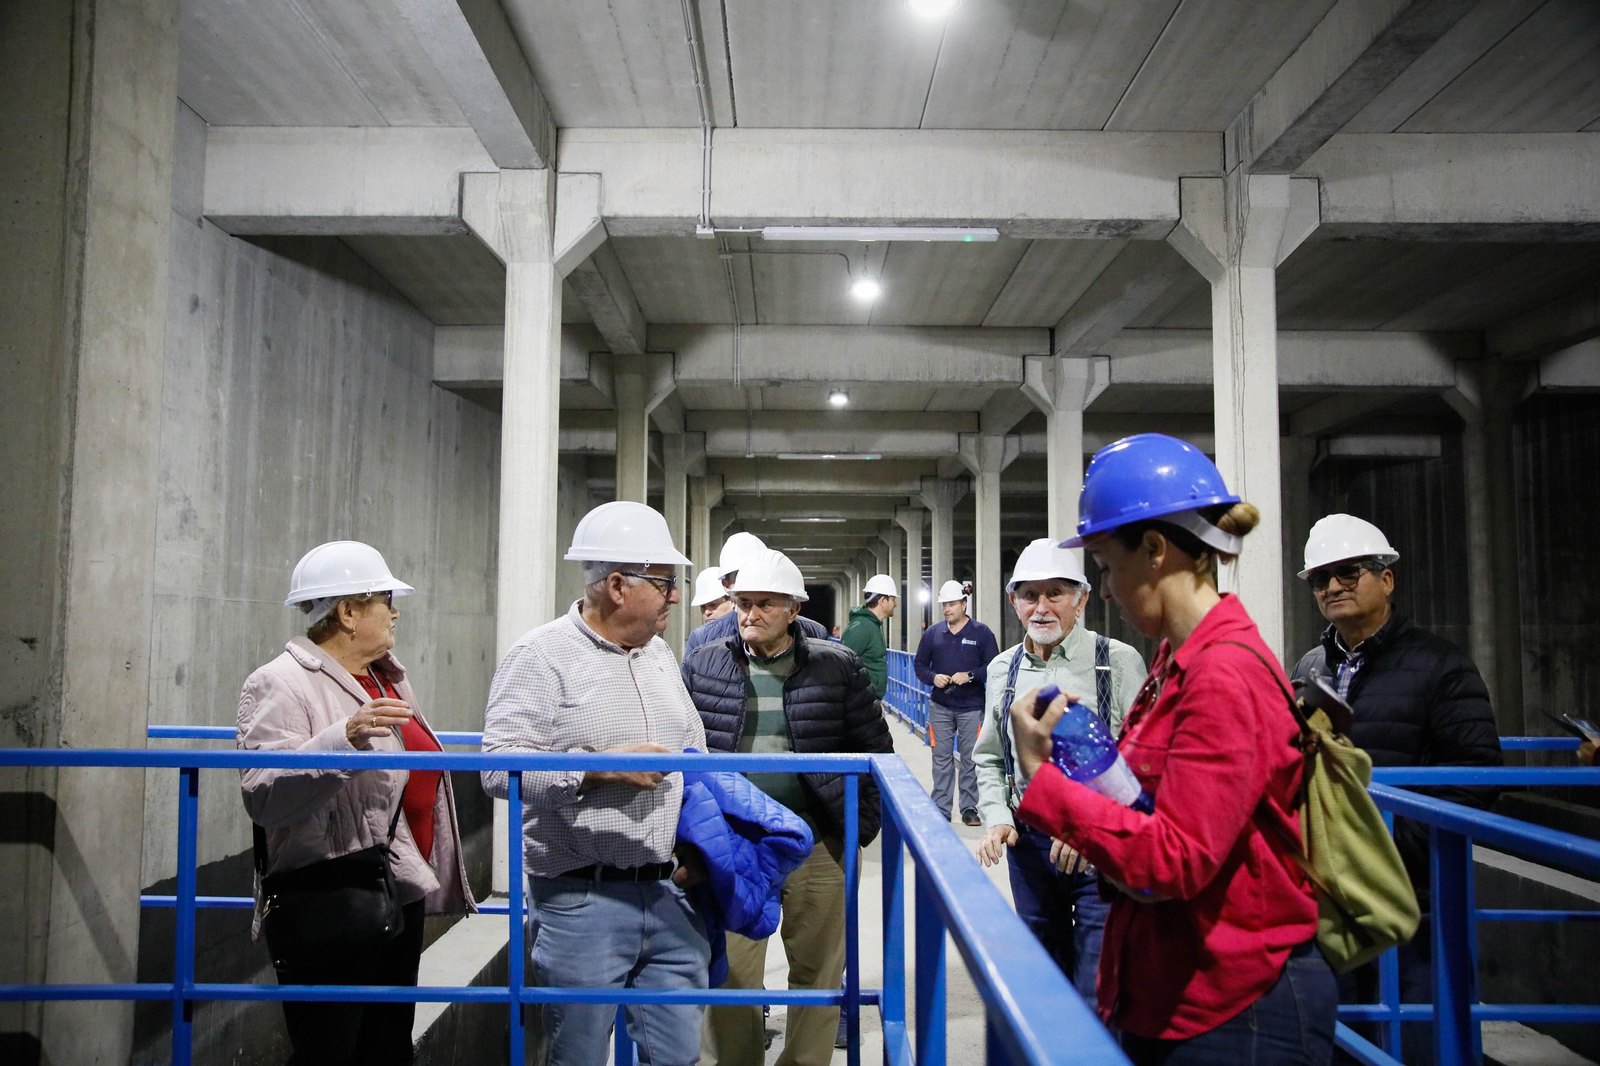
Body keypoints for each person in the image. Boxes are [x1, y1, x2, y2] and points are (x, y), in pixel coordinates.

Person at [1007, 434, 1335, 1066]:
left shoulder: (1223, 675)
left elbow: (1173, 861)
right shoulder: (1173, 663)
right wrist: (1086, 756)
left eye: (1105, 567)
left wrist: (1041, 777)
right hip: (1179, 984)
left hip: (1237, 1008)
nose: (1103, 589)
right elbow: (1150, 802)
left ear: (1155, 550)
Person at [481, 501, 710, 1066]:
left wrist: (696, 852)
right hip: (582, 900)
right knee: (578, 1056)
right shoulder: (541, 657)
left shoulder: (659, 657)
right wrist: (596, 767)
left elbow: (695, 752)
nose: (676, 596)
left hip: (668, 894)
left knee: (676, 1056)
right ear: (616, 585)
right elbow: (497, 766)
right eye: (665, 583)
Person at [238, 541, 475, 1066]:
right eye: (385, 600)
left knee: (387, 1048)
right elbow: (264, 794)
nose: (396, 612)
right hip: (331, 894)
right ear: (347, 612)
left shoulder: (385, 675)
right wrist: (341, 738)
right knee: (331, 1050)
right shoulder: (280, 682)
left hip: (392, 888)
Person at [1290, 512, 1502, 1066]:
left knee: (1414, 1036)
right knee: (1338, 1036)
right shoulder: (1311, 669)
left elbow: (1475, 775)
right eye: (1321, 578)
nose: (1333, 586)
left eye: (1349, 571)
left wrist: (1389, 844)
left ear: (1386, 578)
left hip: (1410, 900)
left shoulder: (1441, 668)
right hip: (1328, 891)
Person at [681, 549, 894, 1066]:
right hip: (733, 845)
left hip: (818, 841)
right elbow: (682, 751)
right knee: (731, 972)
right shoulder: (704, 665)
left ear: (794, 609)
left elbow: (877, 752)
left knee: (819, 974)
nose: (749, 615)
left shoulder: (836, 667)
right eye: (742, 603)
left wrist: (853, 830)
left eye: (764, 605)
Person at [971, 540, 1143, 1001]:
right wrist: (998, 817)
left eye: (1056, 594)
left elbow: (1140, 764)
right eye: (1030, 595)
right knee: (1041, 973)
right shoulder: (1001, 669)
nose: (1042, 608)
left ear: (1081, 599)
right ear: (1014, 602)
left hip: (1098, 849)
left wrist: (1089, 826)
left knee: (1097, 979)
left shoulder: (1118, 662)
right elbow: (989, 755)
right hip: (1030, 845)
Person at [913, 580, 999, 825]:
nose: (947, 609)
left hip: (972, 707)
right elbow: (919, 665)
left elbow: (993, 667)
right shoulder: (933, 634)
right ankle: (941, 808)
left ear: (964, 604)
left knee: (971, 759)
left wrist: (970, 675)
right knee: (941, 758)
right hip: (940, 706)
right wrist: (933, 678)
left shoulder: (981, 633)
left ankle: (969, 808)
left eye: (951, 604)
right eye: (944, 605)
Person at [688, 531, 829, 656]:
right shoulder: (703, 639)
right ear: (725, 586)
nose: (752, 583)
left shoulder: (814, 633)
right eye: (741, 576)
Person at [839, 574, 897, 698]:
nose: (895, 604)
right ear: (882, 601)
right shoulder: (861, 628)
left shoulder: (872, 625)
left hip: (869, 700)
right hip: (862, 703)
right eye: (893, 599)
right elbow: (842, 666)